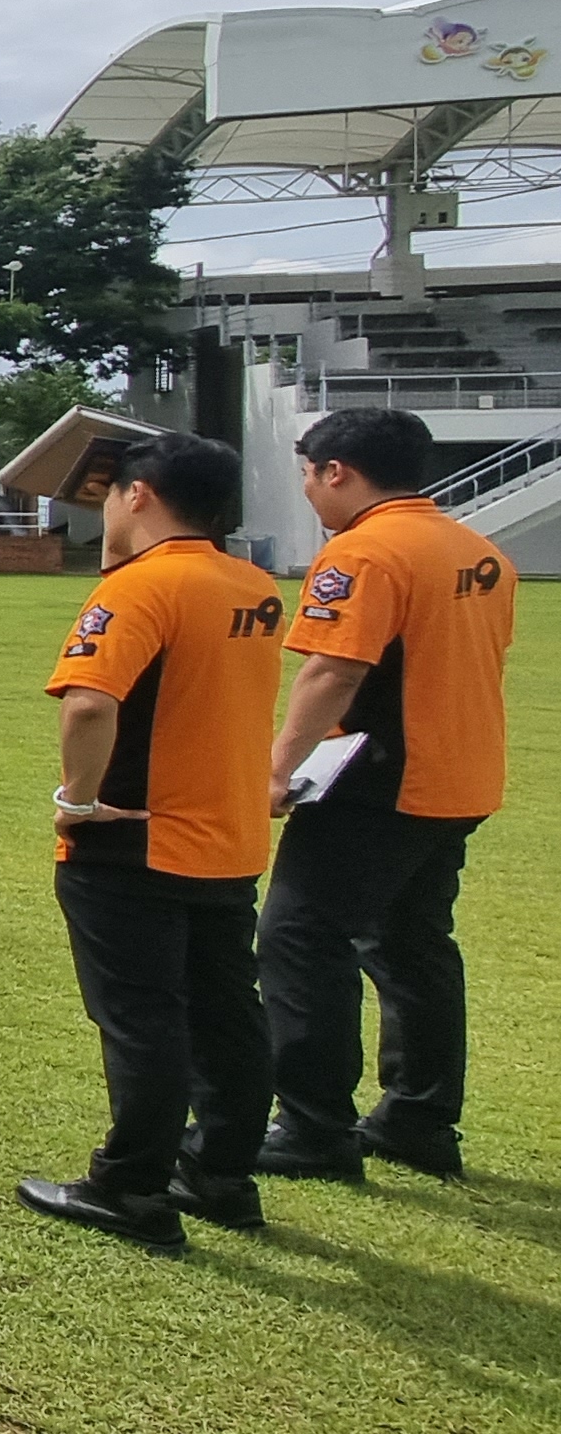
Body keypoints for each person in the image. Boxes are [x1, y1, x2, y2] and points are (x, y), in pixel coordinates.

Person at [16, 433, 282, 1252]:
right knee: (228, 1013)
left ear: (138, 494)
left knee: (142, 1019)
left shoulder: (142, 586)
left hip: (137, 836)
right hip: (226, 835)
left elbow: (90, 702)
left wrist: (77, 801)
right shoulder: (255, 585)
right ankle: (221, 1172)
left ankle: (130, 1186)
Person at [258, 407, 517, 1183]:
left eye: (308, 475)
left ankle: (313, 1128)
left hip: (382, 779)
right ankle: (419, 1119)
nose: (309, 491)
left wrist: (277, 768)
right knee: (412, 943)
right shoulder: (478, 550)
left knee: (300, 937)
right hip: (462, 773)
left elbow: (336, 669)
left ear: (336, 470)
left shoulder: (363, 552)